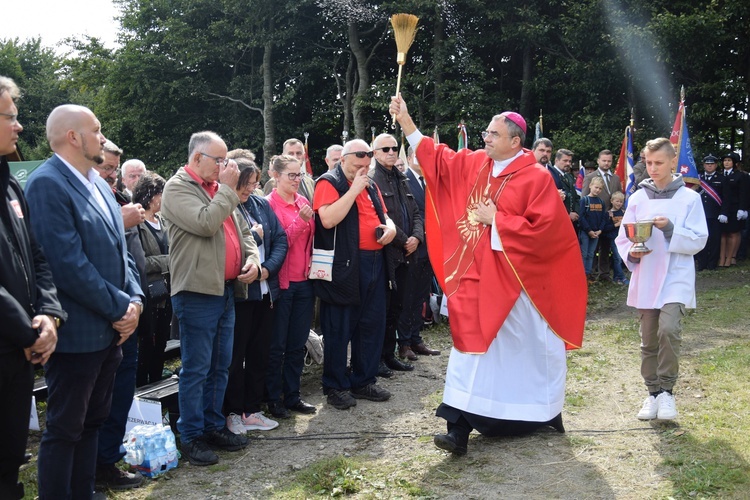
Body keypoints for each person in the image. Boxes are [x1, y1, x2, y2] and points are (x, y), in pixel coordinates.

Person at [390, 95, 586, 456]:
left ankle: (544, 411)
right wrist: (406, 122)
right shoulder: (477, 163)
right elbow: (439, 159)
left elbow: (548, 233)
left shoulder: (536, 179)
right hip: (476, 279)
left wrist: (499, 221)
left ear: (515, 141)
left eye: (494, 134)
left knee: (531, 352)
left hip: (520, 287)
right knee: (471, 351)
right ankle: (458, 428)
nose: (486, 138)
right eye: (486, 132)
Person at [25, 104, 143, 498]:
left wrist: (136, 301)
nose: (104, 137)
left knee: (93, 423)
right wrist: (119, 308)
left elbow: (120, 249)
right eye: (96, 130)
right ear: (73, 137)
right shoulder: (47, 184)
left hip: (111, 333)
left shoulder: (96, 181)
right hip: (78, 334)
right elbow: (66, 263)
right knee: (65, 429)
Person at [161, 131, 260, 466]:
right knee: (197, 368)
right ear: (196, 158)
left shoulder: (219, 190)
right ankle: (190, 435)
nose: (225, 166)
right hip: (197, 293)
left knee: (221, 366)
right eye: (219, 160)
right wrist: (229, 191)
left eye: (225, 159)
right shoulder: (176, 188)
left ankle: (213, 425)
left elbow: (244, 233)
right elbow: (205, 223)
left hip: (227, 290)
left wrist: (252, 260)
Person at [0, 75, 66, 499]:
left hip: (20, 350)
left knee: (10, 462)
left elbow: (37, 257)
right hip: (14, 340)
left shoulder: (10, 184)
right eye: (11, 116)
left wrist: (49, 315)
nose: (19, 126)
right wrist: (29, 331)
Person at [615, 138, 707, 421]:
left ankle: (667, 391)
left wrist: (670, 230)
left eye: (658, 163)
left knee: (669, 330)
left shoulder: (689, 198)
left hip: (675, 275)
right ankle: (652, 393)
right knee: (648, 340)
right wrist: (633, 252)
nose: (652, 168)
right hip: (646, 275)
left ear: (672, 162)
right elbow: (623, 237)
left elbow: (700, 238)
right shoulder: (638, 198)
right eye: (648, 163)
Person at [312, 139, 397, 410]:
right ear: (344, 159)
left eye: (367, 164)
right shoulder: (329, 182)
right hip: (345, 264)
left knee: (371, 324)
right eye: (358, 164)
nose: (363, 169)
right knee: (340, 325)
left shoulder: (369, 183)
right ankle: (335, 384)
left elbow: (385, 215)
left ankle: (363, 379)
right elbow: (327, 219)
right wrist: (353, 190)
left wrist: (391, 229)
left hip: (374, 261)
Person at [92, 141, 146, 491]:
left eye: (115, 169)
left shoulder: (112, 195)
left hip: (129, 310)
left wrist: (136, 302)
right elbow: (76, 261)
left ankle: (107, 461)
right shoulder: (72, 193)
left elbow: (126, 260)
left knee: (121, 393)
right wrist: (119, 309)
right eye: (107, 168)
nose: (113, 176)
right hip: (98, 317)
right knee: (92, 405)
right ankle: (89, 470)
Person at [224, 154, 288, 432]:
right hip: (240, 295)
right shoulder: (225, 207)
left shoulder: (261, 204)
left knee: (260, 352)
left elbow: (282, 239)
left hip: (265, 291)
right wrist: (256, 237)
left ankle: (252, 409)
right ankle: (233, 412)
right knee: (236, 356)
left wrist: (267, 270)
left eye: (254, 183)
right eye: (246, 183)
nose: (251, 188)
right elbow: (228, 246)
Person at [266, 154, 318, 418]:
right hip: (282, 285)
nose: (297, 180)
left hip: (304, 282)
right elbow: (277, 244)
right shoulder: (268, 205)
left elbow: (310, 241)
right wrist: (300, 220)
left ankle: (293, 395)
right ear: (275, 176)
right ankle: (274, 398)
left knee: (298, 344)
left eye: (300, 175)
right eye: (292, 175)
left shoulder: (303, 201)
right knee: (277, 345)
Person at [369, 133, 424, 375]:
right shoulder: (373, 180)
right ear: (375, 153)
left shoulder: (402, 178)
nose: (391, 152)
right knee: (382, 309)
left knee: (398, 307)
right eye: (385, 149)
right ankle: (377, 359)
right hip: (386, 254)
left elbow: (415, 212)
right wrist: (404, 240)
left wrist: (417, 237)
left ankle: (389, 355)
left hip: (407, 253)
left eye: (394, 148)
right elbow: (382, 217)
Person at [398, 146, 441, 360]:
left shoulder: (430, 181)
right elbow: (410, 215)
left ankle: (416, 338)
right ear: (409, 157)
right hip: (413, 247)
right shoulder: (404, 180)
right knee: (408, 297)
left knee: (421, 296)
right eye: (418, 155)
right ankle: (403, 342)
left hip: (431, 249)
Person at [134, 172, 172, 387]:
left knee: (161, 345)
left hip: (168, 294)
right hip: (148, 295)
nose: (163, 198)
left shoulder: (163, 220)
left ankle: (158, 386)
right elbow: (140, 262)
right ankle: (141, 391)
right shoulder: (136, 222)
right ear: (149, 194)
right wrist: (169, 261)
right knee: (147, 345)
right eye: (161, 193)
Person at [582, 150, 621, 281]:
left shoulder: (616, 178)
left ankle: (604, 273)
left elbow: (618, 196)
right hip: (594, 217)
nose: (606, 163)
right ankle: (590, 273)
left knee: (606, 246)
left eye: (609, 161)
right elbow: (584, 196)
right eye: (604, 160)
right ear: (598, 161)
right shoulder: (590, 177)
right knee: (593, 247)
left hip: (610, 219)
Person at [578, 177, 613, 284]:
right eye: (596, 187)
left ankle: (588, 274)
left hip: (596, 232)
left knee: (591, 254)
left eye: (600, 189)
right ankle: (581, 275)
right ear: (590, 186)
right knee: (584, 254)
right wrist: (588, 230)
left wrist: (600, 230)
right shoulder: (584, 200)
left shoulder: (601, 202)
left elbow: (603, 217)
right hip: (586, 232)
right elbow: (581, 217)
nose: (597, 190)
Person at [718, 152, 748, 267]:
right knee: (723, 233)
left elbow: (744, 193)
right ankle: (723, 257)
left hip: (735, 207)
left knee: (734, 232)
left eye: (729, 160)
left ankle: (732, 257)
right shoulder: (720, 175)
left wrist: (742, 208)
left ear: (735, 163)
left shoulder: (741, 175)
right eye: (725, 160)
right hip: (722, 208)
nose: (726, 162)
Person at [696, 154, 725, 271]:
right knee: (702, 239)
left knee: (714, 239)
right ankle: (701, 263)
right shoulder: (697, 178)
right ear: (703, 165)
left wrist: (724, 212)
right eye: (707, 164)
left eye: (712, 164)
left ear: (716, 165)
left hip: (715, 214)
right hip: (700, 214)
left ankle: (712, 264)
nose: (709, 166)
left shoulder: (722, 178)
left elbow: (726, 197)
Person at [547, 148, 579, 225]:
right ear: (556, 160)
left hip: (572, 220)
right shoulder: (549, 174)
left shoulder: (569, 176)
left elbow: (574, 197)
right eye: (565, 161)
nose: (568, 163)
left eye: (570, 161)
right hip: (558, 219)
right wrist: (568, 214)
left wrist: (576, 212)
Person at [607, 191, 628, 285]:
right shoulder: (609, 214)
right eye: (617, 201)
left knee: (620, 258)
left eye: (621, 202)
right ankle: (622, 277)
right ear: (612, 201)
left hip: (623, 238)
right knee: (617, 258)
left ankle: (616, 277)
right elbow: (606, 228)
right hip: (614, 238)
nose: (619, 203)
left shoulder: (624, 212)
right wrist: (616, 224)